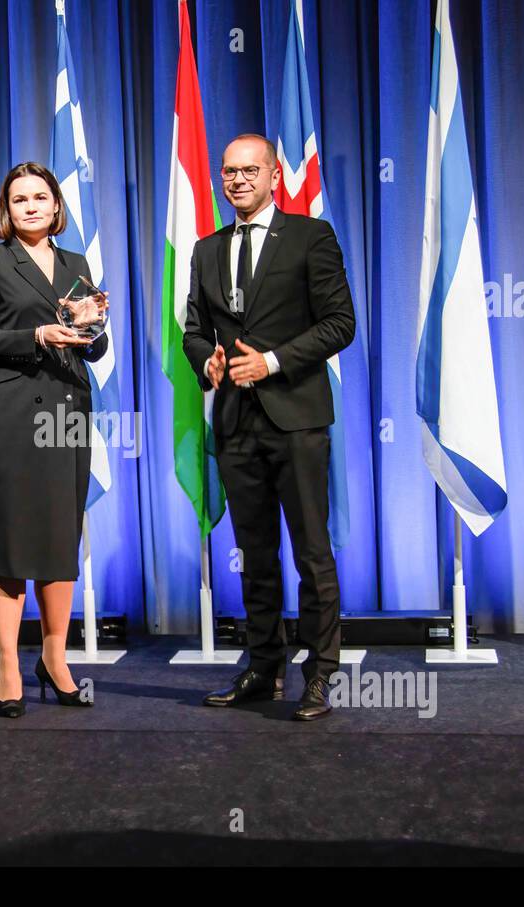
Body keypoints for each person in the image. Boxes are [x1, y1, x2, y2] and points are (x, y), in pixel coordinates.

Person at [183, 134, 356, 720]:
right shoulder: (205, 250)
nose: (237, 180)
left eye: (249, 170)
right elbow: (193, 330)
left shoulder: (311, 237)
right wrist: (205, 358)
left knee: (311, 551)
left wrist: (274, 361)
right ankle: (263, 666)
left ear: (274, 174)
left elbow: (340, 323)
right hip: (235, 423)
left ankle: (319, 675)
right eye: (228, 172)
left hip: (297, 420)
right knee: (253, 553)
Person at [0, 161, 108, 718]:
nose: (30, 206)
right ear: (8, 208)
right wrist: (36, 333)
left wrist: (92, 325)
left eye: (40, 197)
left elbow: (90, 347)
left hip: (68, 408)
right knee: (11, 539)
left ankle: (55, 657)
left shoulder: (76, 262)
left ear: (55, 207)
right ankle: (7, 665)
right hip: (11, 413)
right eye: (19, 198)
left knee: (57, 535)